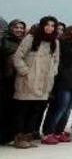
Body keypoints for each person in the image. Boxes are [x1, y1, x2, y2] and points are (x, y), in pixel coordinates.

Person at [12, 16, 60, 149]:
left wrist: (52, 73)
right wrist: (26, 72)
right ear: (42, 25)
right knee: (23, 110)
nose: (49, 28)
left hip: (44, 82)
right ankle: (18, 137)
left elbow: (56, 60)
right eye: (47, 25)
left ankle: (27, 136)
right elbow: (18, 56)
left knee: (35, 111)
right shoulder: (31, 38)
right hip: (27, 81)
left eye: (52, 26)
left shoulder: (55, 42)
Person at [41, 23, 72, 143]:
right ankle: (48, 132)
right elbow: (58, 62)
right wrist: (63, 75)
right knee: (60, 107)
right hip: (64, 81)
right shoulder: (63, 43)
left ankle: (59, 131)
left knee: (68, 108)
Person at [0, 19, 26, 145]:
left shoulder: (24, 42)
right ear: (11, 28)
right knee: (5, 109)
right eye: (16, 27)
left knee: (14, 109)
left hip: (19, 79)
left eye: (21, 28)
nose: (19, 30)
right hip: (6, 79)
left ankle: (10, 135)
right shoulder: (4, 41)